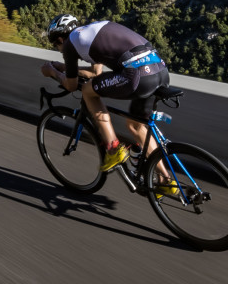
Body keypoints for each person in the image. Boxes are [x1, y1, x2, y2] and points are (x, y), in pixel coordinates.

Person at [40, 14, 174, 189]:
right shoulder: (92, 31)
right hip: (160, 71)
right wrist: (66, 68)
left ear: (59, 38)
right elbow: (96, 73)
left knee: (87, 91)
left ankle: (113, 148)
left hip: (138, 76)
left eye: (55, 45)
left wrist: (52, 72)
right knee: (136, 126)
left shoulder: (69, 44)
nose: (58, 49)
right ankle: (165, 180)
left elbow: (71, 86)